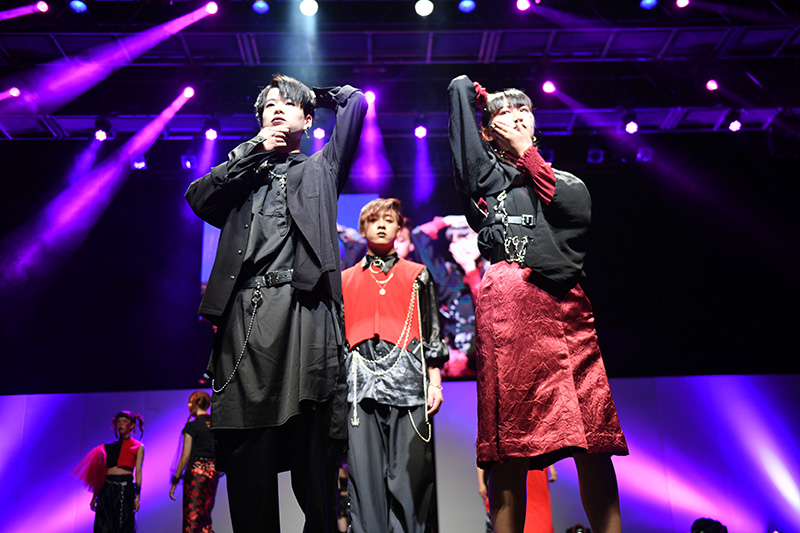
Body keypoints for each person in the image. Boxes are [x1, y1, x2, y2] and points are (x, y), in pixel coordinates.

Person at [184, 74, 367, 532]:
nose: (278, 109)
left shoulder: (321, 169)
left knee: (314, 451)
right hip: (246, 319)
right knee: (248, 451)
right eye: (270, 105)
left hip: (305, 314)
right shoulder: (242, 174)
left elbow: (356, 104)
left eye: (289, 105)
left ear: (308, 120)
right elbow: (198, 197)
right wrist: (253, 150)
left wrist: (312, 94)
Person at [448, 74, 629, 533]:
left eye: (522, 110)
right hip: (509, 311)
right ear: (487, 130)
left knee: (592, 435)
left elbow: (565, 206)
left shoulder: (567, 181)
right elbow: (460, 109)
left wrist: (525, 151)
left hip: (565, 312)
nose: (514, 116)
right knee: (509, 444)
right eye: (502, 113)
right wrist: (472, 94)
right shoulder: (485, 181)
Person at [341, 198, 449, 533]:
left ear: (399, 229)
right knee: (364, 480)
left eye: (389, 220)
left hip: (408, 386)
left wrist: (435, 382)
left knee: (408, 479)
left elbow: (431, 332)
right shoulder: (344, 280)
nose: (382, 225)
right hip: (359, 390)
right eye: (374, 220)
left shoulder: (417, 275)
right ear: (362, 229)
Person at [72, 411, 145, 533]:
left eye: (124, 421)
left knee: (122, 525)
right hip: (106, 489)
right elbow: (100, 473)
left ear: (132, 425)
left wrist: (137, 498)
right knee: (103, 525)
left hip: (124, 489)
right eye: (118, 421)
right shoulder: (106, 448)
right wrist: (95, 496)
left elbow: (138, 471)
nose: (121, 424)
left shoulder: (138, 447)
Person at [169, 391, 219, 533]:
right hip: (213, 471)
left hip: (196, 472)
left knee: (192, 515)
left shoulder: (192, 426)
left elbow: (185, 456)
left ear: (194, 404)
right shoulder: (215, 423)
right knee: (205, 515)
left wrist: (175, 480)